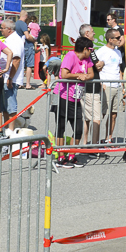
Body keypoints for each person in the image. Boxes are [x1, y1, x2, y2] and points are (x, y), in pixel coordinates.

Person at [53, 35, 92, 168]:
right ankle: (61, 157)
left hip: (76, 98)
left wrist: (86, 76)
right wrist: (78, 75)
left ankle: (72, 155)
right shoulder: (70, 56)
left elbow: (91, 74)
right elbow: (64, 74)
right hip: (62, 96)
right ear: (85, 49)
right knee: (61, 127)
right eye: (91, 49)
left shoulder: (87, 59)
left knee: (78, 128)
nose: (91, 52)